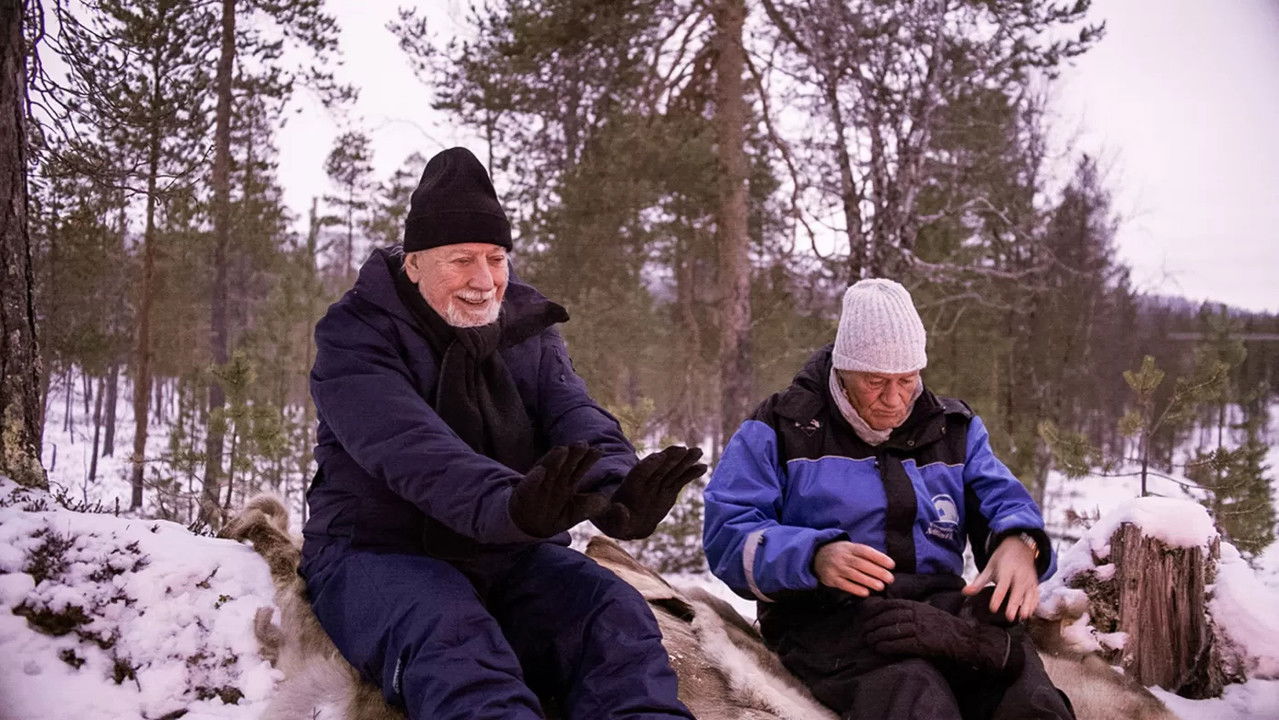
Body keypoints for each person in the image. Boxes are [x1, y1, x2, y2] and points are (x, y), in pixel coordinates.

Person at [299, 147, 704, 720]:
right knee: (454, 639)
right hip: (378, 551)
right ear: (413, 263)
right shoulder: (354, 337)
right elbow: (413, 450)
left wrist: (618, 491)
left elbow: (576, 416)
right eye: (461, 259)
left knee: (612, 615)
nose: (484, 280)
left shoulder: (525, 328)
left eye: (495, 257)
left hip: (508, 548)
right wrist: (511, 505)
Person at [703, 278, 1074, 720]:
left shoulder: (954, 429)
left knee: (1024, 695)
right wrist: (813, 556)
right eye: (876, 381)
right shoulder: (781, 428)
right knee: (914, 694)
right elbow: (728, 533)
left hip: (938, 611)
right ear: (843, 368)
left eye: (907, 379)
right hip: (826, 617)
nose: (895, 399)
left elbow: (1001, 498)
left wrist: (1020, 542)